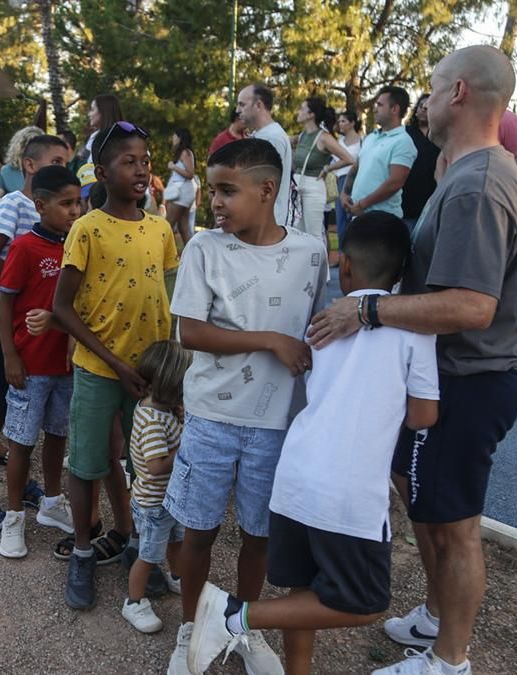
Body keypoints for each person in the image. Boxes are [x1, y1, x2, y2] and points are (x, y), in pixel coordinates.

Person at [310, 45, 517, 675]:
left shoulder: (479, 186)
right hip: (454, 378)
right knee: (427, 507)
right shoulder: (465, 174)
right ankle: (436, 619)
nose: (425, 104)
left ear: (458, 93)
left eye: (432, 92)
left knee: (455, 525)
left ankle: (449, 660)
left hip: (469, 379)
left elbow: (470, 306)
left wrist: (368, 311)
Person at [187, 212, 439, 675]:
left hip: (295, 475)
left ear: (345, 268)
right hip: (351, 493)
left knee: (305, 591)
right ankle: (235, 615)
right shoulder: (414, 334)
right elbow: (424, 416)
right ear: (403, 274)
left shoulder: (323, 324)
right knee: (366, 603)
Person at [162, 137, 325, 675]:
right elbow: (189, 331)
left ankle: (239, 625)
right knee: (199, 531)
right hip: (211, 416)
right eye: (212, 191)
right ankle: (192, 628)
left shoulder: (309, 252)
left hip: (277, 424)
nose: (216, 203)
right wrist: (269, 340)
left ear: (267, 189)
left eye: (228, 191)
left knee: (260, 537)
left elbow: (317, 328)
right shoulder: (204, 250)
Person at [52, 121, 179, 611]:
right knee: (86, 464)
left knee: (146, 465)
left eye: (146, 161)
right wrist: (114, 363)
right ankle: (83, 553)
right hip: (100, 370)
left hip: (151, 376)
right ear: (102, 172)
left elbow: (168, 297)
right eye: (130, 162)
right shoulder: (86, 229)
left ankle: (140, 550)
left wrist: (171, 362)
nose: (142, 169)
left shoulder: (161, 228)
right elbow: (64, 308)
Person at [0, 134, 71, 529]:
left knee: (25, 415)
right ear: (30, 165)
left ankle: (24, 483)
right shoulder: (13, 205)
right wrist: (24, 288)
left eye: (67, 158)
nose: (63, 164)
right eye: (56, 159)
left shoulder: (60, 213)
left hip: (33, 330)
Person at [0, 164, 81, 558]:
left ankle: (50, 502)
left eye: (78, 202)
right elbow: (5, 300)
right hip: (29, 366)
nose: (75, 211)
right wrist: (10, 355)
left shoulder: (75, 245)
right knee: (22, 442)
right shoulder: (24, 247)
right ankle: (13, 517)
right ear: (40, 204)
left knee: (57, 436)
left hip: (65, 365)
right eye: (66, 204)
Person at [121, 340, 193, 634]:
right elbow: (154, 466)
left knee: (177, 541)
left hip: (169, 500)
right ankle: (134, 602)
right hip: (153, 504)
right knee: (148, 555)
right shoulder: (153, 420)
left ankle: (177, 576)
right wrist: (186, 448)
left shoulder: (162, 410)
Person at [341, 86, 417, 219]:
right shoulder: (371, 137)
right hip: (359, 216)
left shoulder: (403, 142)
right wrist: (344, 193)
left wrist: (362, 204)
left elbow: (395, 183)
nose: (375, 109)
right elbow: (356, 167)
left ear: (395, 109)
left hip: (382, 220)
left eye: (380, 105)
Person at [293, 98, 353, 239]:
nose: (299, 111)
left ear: (311, 115)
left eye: (302, 108)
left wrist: (327, 168)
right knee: (298, 233)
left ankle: (319, 261)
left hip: (313, 188)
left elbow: (348, 159)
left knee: (314, 235)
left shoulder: (324, 137)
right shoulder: (302, 136)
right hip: (297, 185)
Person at [236, 84, 294, 228]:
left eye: (242, 104)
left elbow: (263, 183)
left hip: (266, 223)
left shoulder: (272, 137)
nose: (238, 110)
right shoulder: (263, 135)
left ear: (258, 105)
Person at [402, 94, 441, 230]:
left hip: (432, 194)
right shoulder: (405, 133)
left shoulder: (440, 135)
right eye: (420, 106)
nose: (424, 110)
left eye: (428, 107)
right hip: (408, 196)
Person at [327, 111, 363, 245]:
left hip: (355, 181)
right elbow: (333, 162)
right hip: (339, 180)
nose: (340, 124)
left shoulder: (362, 141)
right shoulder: (338, 142)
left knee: (353, 219)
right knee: (340, 220)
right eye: (339, 121)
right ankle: (342, 256)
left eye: (343, 121)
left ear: (352, 123)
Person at [164, 128, 197, 244]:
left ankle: (162, 254)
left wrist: (174, 167)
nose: (172, 138)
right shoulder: (183, 153)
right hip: (184, 193)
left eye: (174, 136)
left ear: (180, 138)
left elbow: (190, 174)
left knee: (167, 225)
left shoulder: (185, 153)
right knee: (184, 228)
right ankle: (193, 257)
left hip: (182, 194)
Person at [0, 126, 43, 198]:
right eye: (29, 146)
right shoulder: (5, 173)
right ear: (19, 147)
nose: (34, 151)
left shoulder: (48, 172)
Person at [82, 94, 123, 163]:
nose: (89, 114)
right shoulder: (92, 138)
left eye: (92, 109)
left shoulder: (125, 138)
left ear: (103, 111)